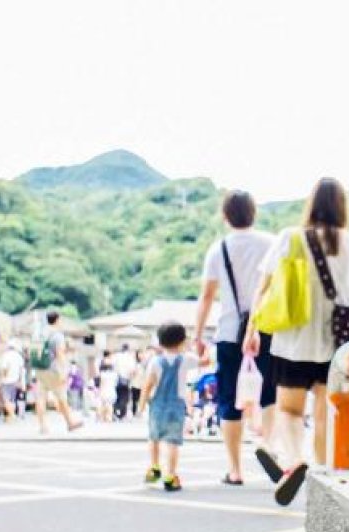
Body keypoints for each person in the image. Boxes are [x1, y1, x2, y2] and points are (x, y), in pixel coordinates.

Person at [244, 178, 349, 505]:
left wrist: (251, 330)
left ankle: (294, 461)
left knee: (289, 410)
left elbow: (264, 287)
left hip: (293, 340)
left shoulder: (290, 237)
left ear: (311, 204)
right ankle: (323, 476)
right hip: (337, 343)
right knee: (324, 411)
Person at [195, 189, 279, 485]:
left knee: (229, 400)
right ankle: (268, 447)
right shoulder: (271, 244)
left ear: (225, 215)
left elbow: (207, 296)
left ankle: (235, 470)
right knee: (270, 394)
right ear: (254, 213)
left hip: (230, 332)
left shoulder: (219, 249)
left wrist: (198, 335)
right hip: (268, 330)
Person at [139, 322, 205, 491]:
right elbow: (205, 361)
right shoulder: (187, 359)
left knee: (154, 438)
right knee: (173, 442)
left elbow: (148, 385)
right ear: (183, 341)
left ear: (160, 343)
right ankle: (170, 475)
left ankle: (154, 467)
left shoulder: (155, 361)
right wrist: (196, 345)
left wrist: (140, 405)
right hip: (176, 406)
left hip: (157, 405)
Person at [32, 309, 83, 434]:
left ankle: (43, 426)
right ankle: (70, 422)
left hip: (39, 368)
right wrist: (64, 370)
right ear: (58, 319)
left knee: (40, 398)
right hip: (53, 370)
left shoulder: (40, 333)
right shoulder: (57, 335)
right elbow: (60, 354)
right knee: (61, 397)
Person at [0, 339, 25, 422]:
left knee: (6, 399)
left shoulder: (5, 355)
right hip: (15, 380)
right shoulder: (19, 356)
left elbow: (4, 368)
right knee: (12, 399)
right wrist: (21, 382)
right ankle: (11, 416)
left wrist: (1, 378)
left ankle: (12, 415)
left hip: (6, 381)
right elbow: (21, 370)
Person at [112, 344, 137, 420]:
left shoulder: (116, 356)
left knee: (117, 396)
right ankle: (122, 413)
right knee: (124, 396)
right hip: (126, 379)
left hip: (116, 379)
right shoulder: (130, 357)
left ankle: (116, 411)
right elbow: (132, 369)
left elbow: (113, 366)